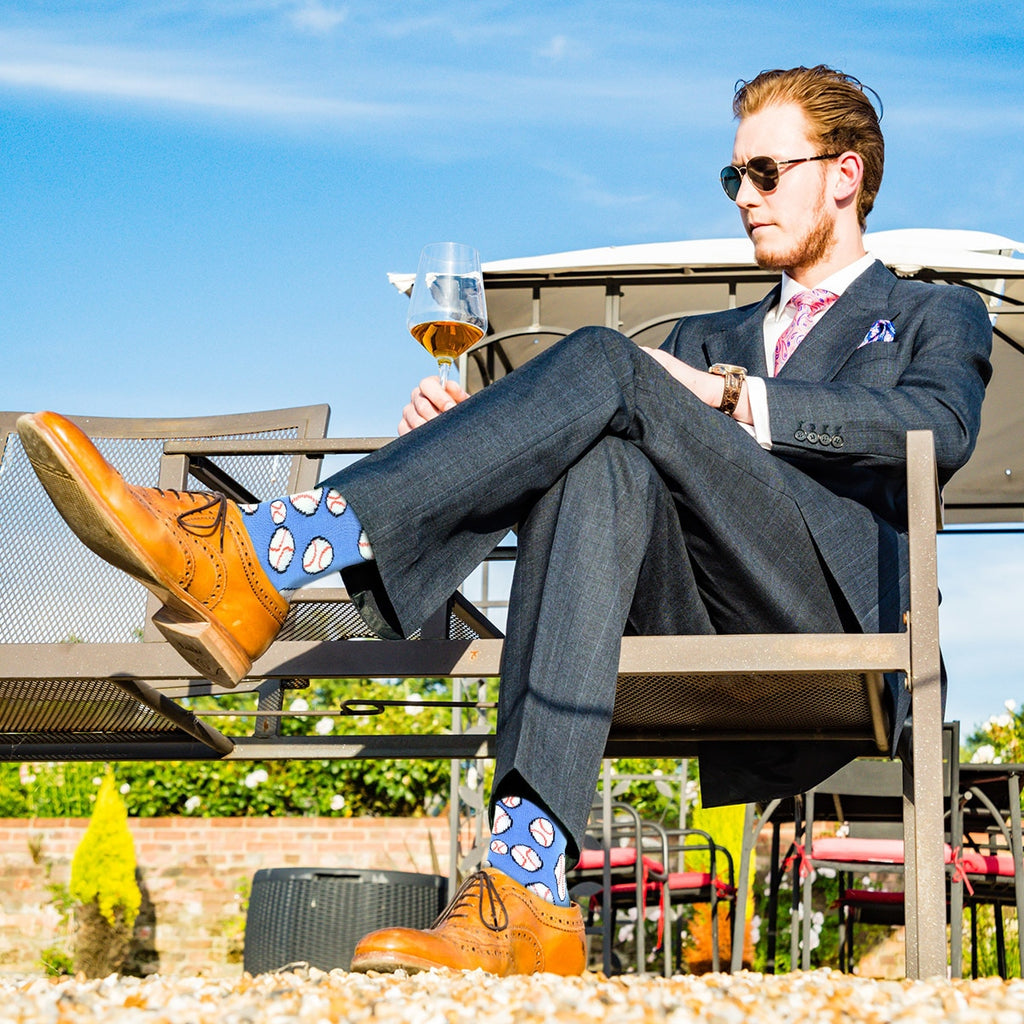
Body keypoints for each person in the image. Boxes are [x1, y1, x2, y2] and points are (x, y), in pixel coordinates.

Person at [18, 65, 992, 977]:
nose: (744, 195)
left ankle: (268, 550)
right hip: (690, 609)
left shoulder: (930, 313)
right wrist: (467, 444)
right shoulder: (706, 332)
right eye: (733, 175)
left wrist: (730, 396)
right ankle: (526, 891)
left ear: (844, 175)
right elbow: (613, 485)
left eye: (766, 172)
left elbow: (937, 428)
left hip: (827, 610)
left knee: (609, 362)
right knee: (602, 460)